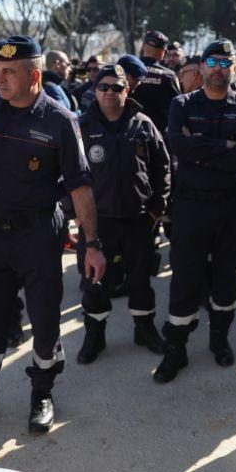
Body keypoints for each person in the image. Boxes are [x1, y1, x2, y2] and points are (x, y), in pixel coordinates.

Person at [0, 35, 104, 435]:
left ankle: (42, 393)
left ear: (35, 75)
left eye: (10, 71)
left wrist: (92, 244)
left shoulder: (59, 120)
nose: (0, 79)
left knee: (45, 322)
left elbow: (80, 186)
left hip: (39, 236)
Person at [154, 38, 236, 383]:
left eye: (224, 63)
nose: (218, 70)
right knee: (184, 278)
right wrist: (223, 148)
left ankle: (219, 339)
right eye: (211, 63)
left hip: (232, 208)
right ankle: (176, 350)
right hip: (191, 207)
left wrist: (202, 149)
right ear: (201, 68)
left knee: (227, 279)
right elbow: (180, 147)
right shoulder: (181, 104)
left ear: (235, 66)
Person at [75, 64, 171, 362]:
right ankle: (95, 335)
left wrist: (156, 209)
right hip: (97, 223)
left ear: (127, 90)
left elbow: (162, 167)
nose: (109, 93)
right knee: (95, 283)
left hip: (138, 219)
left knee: (140, 280)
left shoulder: (143, 124)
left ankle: (144, 329)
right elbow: (63, 175)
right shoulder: (81, 127)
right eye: (103, 87)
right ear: (95, 90)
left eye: (117, 87)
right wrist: (75, 213)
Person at [135, 30, 182, 135]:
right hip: (159, 135)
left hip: (129, 132)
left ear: (144, 46)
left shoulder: (129, 70)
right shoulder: (169, 75)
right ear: (163, 52)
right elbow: (179, 106)